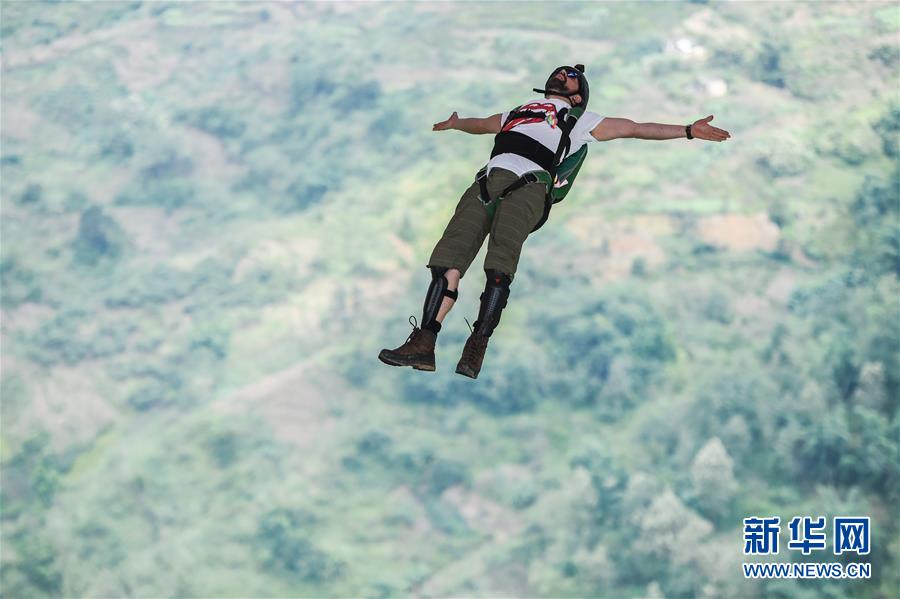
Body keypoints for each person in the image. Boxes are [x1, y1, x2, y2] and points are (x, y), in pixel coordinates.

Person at [379, 64, 731, 379]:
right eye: (560, 72)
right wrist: (458, 124)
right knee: (448, 262)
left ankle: (477, 345)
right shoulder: (519, 111)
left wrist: (686, 130)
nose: (562, 75)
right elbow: (484, 124)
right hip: (489, 178)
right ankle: (424, 341)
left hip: (530, 184)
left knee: (500, 265)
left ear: (578, 95)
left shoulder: (579, 120)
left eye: (571, 76)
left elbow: (635, 128)